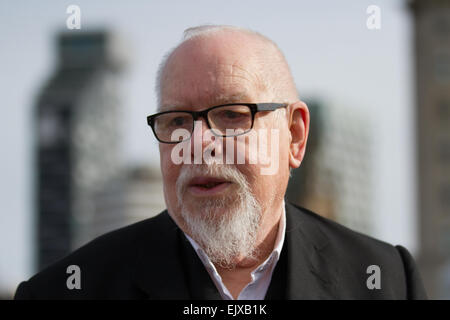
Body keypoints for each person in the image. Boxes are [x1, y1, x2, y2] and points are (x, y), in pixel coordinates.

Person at [15, 25, 427, 300]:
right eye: (177, 121)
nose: (198, 143)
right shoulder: (63, 291)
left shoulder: (384, 280)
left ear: (295, 136)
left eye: (231, 114)